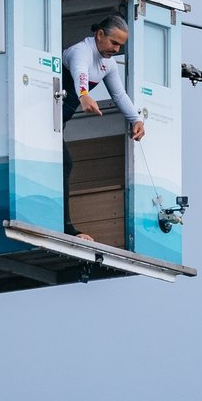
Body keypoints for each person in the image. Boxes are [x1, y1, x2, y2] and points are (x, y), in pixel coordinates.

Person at [60, 15, 144, 239]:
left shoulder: (108, 64)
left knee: (63, 164)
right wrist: (84, 95)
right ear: (99, 35)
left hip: (59, 122)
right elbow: (80, 73)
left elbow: (118, 94)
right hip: (44, 118)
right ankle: (66, 228)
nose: (116, 49)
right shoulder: (81, 51)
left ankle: (63, 225)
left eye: (120, 46)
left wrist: (136, 119)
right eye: (113, 43)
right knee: (64, 164)